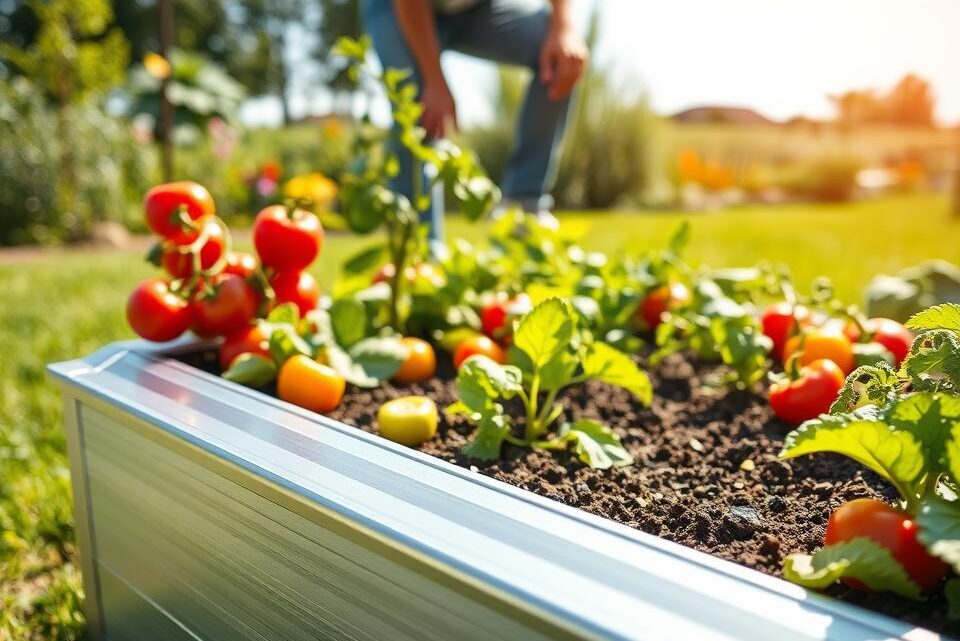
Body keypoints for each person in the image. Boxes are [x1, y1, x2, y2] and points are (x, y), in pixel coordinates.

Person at [362, 0, 589, 240]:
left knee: (560, 55)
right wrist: (434, 80)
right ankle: (418, 252)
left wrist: (564, 28)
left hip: (475, 8)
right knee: (415, 109)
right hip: (398, 7)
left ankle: (523, 207)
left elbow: (563, 33)